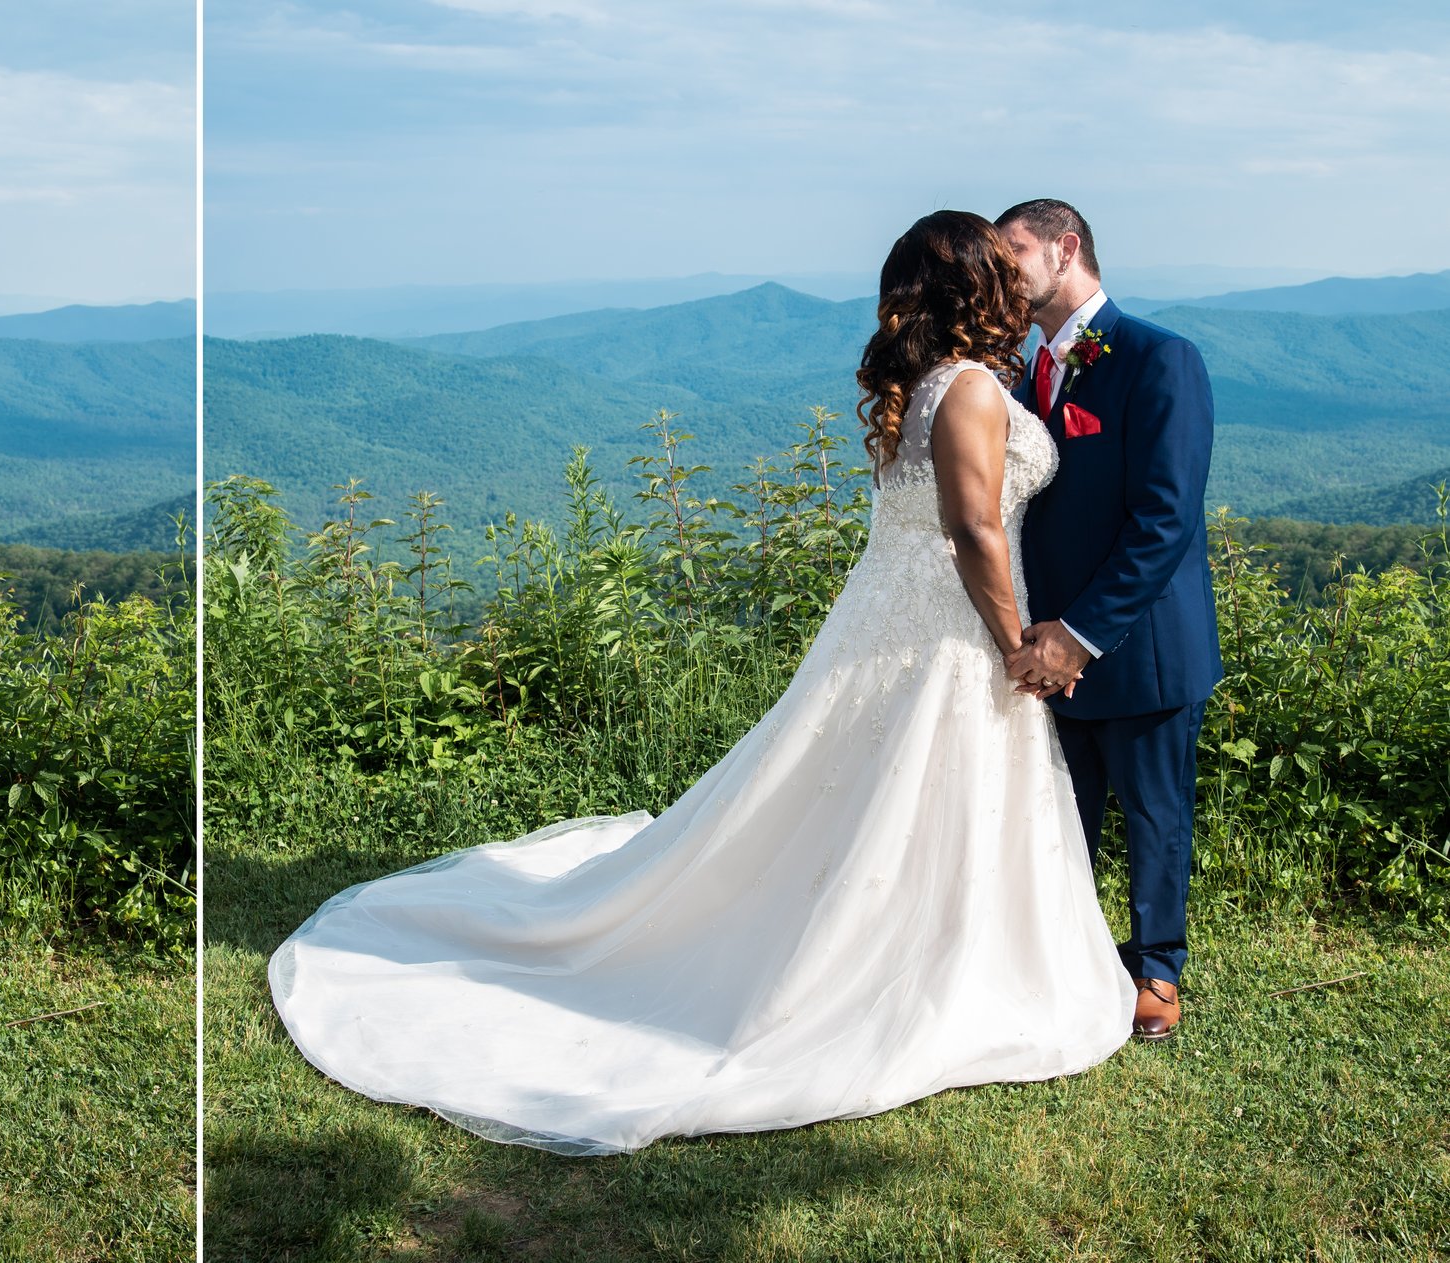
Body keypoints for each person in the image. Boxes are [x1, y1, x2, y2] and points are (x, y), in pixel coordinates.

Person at [267, 211, 1135, 1155]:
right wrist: (1017, 643)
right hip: (950, 631)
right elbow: (974, 531)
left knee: (886, 799)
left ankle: (948, 954)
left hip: (904, 621)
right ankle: (929, 970)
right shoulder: (966, 390)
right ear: (979, 289)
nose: (1016, 280)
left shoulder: (924, 387)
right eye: (1001, 269)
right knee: (912, 795)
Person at [996, 198, 1219, 1041]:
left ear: (1066, 247)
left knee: (1156, 812)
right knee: (1063, 812)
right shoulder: (1025, 373)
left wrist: (1078, 632)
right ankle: (1074, 958)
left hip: (1139, 645)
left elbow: (1165, 520)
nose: (1001, 271)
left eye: (1011, 251)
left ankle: (1156, 970)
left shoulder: (1161, 358)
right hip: (1046, 650)